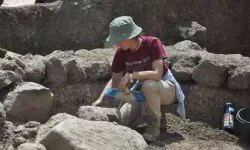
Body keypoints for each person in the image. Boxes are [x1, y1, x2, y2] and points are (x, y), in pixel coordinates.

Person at [92, 16, 185, 142]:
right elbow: (115, 79)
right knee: (121, 123)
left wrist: (131, 75)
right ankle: (158, 117)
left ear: (129, 36)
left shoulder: (152, 43)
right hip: (142, 93)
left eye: (118, 40)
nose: (116, 44)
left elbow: (157, 74)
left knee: (149, 85)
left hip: (165, 88)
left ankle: (153, 127)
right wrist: (101, 99)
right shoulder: (121, 53)